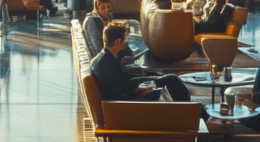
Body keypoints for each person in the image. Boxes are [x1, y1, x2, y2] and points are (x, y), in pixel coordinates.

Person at [91, 22, 223, 129]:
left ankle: (194, 116)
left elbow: (120, 81)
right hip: (124, 103)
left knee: (168, 79)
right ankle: (197, 118)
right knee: (172, 80)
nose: (125, 43)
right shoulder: (106, 63)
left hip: (126, 92)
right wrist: (137, 92)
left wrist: (147, 80)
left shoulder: (105, 58)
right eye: (124, 39)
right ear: (118, 41)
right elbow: (116, 94)